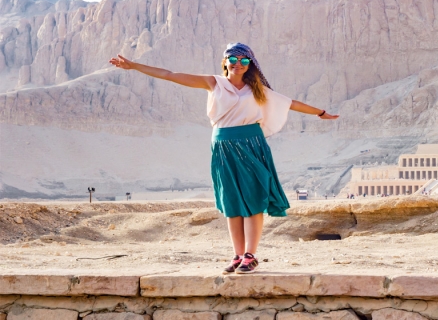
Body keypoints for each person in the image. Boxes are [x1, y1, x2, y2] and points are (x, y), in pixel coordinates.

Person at [109, 42, 338, 274]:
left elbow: (290, 103)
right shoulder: (213, 83)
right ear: (225, 61)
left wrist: (320, 112)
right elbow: (170, 75)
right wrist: (134, 66)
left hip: (252, 144)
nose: (238, 64)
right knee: (232, 202)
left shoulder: (258, 89)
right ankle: (238, 256)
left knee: (253, 198)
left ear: (250, 65)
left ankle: (251, 255)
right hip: (222, 146)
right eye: (234, 59)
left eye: (244, 60)